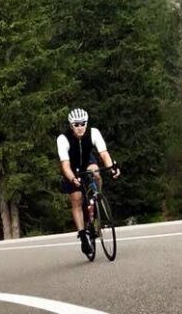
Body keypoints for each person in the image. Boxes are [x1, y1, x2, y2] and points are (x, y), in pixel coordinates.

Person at [57, 107, 119, 255]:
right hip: (71, 167)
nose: (80, 127)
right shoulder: (63, 139)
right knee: (77, 198)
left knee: (96, 173)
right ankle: (83, 234)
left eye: (83, 123)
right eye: (76, 124)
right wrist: (72, 178)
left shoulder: (93, 132)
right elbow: (65, 166)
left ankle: (97, 196)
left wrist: (111, 168)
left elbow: (104, 154)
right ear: (71, 125)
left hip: (87, 161)